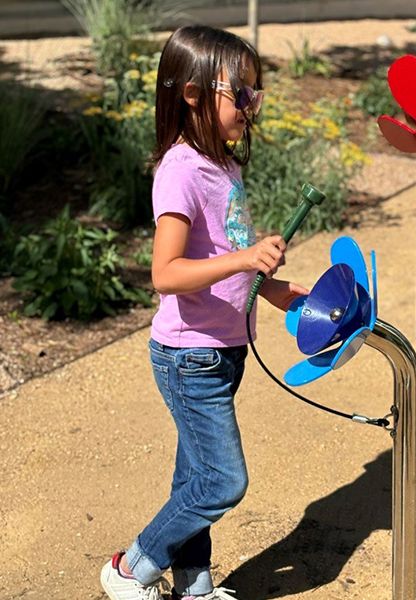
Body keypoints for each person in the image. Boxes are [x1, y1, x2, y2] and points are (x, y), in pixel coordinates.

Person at [100, 25, 308, 600]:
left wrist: (270, 288)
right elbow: (165, 274)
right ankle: (131, 568)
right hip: (189, 354)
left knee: (194, 475)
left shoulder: (224, 168)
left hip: (222, 350)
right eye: (239, 93)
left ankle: (195, 585)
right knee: (222, 480)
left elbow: (219, 258)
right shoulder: (182, 170)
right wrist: (245, 254)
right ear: (193, 94)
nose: (251, 105)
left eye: (255, 93)